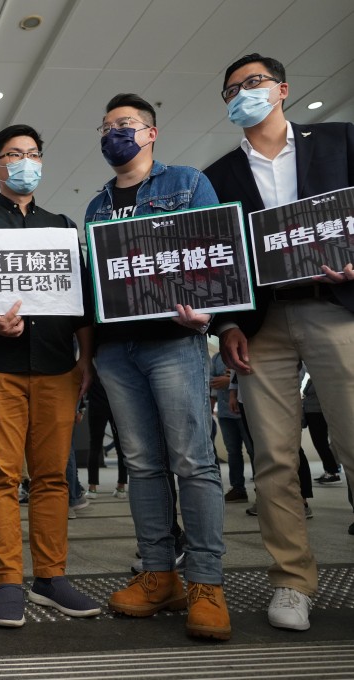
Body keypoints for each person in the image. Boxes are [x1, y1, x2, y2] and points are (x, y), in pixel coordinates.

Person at [203, 53, 354, 632]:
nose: (243, 93)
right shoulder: (217, 176)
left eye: (254, 82)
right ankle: (292, 581)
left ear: (283, 89)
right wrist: (226, 325)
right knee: (273, 457)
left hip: (335, 309)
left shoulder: (339, 142)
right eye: (232, 89)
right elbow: (216, 260)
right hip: (260, 327)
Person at [86, 93, 230, 641]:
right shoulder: (97, 206)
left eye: (125, 124)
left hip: (174, 341)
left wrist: (209, 312)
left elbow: (215, 249)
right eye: (106, 127)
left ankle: (206, 583)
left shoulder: (187, 184)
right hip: (115, 349)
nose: (113, 134)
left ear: (150, 133)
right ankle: (158, 573)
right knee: (143, 465)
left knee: (193, 460)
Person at [0, 125, 100, 627]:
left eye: (33, 154)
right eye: (13, 155)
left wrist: (85, 359)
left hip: (58, 365)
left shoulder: (61, 226)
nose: (24, 162)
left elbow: (83, 300)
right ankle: (8, 581)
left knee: (53, 477)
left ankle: (51, 578)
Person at [210, 351, 254, 503]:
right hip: (225, 413)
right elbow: (211, 382)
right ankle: (238, 489)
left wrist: (229, 381)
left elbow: (252, 375)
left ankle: (262, 489)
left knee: (254, 450)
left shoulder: (246, 352)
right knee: (233, 452)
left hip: (246, 409)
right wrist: (211, 406)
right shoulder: (217, 357)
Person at [84, 377, 127, 499]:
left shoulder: (93, 367)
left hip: (96, 405)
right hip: (117, 405)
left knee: (94, 446)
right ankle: (121, 487)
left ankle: (92, 488)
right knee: (121, 447)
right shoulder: (117, 368)